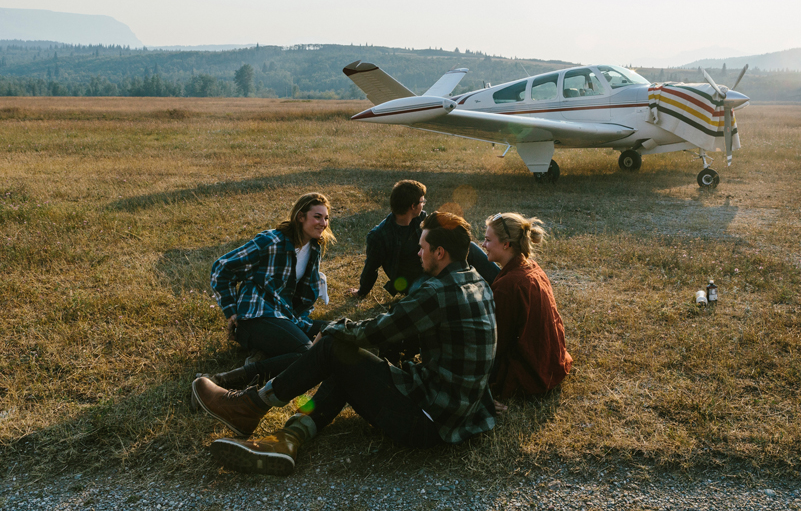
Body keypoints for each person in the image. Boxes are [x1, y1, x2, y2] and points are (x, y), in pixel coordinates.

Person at [191, 211, 498, 475]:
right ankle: (288, 438)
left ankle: (251, 405)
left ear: (440, 252)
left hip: (429, 421)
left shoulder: (437, 291)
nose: (418, 254)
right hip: (461, 413)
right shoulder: (477, 282)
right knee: (348, 361)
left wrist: (337, 329)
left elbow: (378, 331)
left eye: (422, 248)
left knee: (335, 348)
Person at [201, 192, 335, 389]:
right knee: (307, 354)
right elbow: (222, 267)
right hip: (256, 316)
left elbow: (304, 295)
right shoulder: (272, 241)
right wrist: (231, 311)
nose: (323, 223)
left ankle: (262, 356)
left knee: (335, 332)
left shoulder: (314, 247)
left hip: (284, 316)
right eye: (317, 216)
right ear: (300, 217)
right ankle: (218, 381)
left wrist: (298, 322)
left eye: (326, 218)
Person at [351, 179, 498, 299]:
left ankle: (502, 282)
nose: (423, 204)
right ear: (413, 206)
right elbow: (371, 267)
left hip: (435, 264)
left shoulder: (421, 218)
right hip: (413, 280)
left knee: (470, 247)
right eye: (422, 201)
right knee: (430, 292)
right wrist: (362, 291)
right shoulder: (379, 235)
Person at [481, 213, 572, 404]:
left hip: (530, 371)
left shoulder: (508, 287)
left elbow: (497, 344)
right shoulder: (530, 266)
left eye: (488, 240)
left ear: (506, 244)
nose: (483, 244)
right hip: (552, 362)